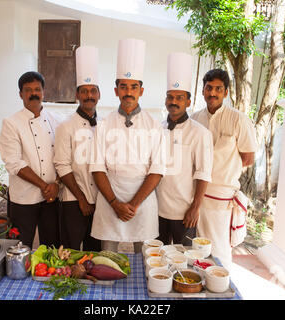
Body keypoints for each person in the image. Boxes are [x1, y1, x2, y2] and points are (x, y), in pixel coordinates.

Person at [89, 38, 165, 254]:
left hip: (143, 202)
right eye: (124, 87)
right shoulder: (104, 124)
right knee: (107, 259)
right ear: (116, 91)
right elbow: (97, 168)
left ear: (141, 90)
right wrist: (115, 203)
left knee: (147, 260)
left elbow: (157, 170)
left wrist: (133, 204)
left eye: (134, 87)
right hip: (109, 198)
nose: (128, 92)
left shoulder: (154, 125)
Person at [191, 68, 257, 270]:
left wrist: (223, 170)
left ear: (226, 92)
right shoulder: (194, 119)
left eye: (218, 89)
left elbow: (248, 158)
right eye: (209, 88)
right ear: (203, 91)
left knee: (219, 249)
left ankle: (221, 287)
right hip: (194, 196)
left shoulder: (238, 119)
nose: (213, 93)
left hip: (221, 198)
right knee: (196, 248)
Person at [0, 71, 61, 249]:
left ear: (43, 92)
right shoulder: (11, 123)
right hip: (24, 198)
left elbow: (62, 158)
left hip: (51, 196)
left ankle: (48, 276)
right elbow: (14, 163)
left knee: (52, 246)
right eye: (28, 90)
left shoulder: (55, 121)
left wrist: (56, 184)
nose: (33, 93)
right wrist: (44, 186)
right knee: (20, 247)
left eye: (37, 89)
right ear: (20, 94)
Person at [156, 53, 213, 247]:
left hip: (184, 212)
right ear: (165, 100)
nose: (174, 101)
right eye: (170, 97)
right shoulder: (157, 129)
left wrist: (195, 208)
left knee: (185, 261)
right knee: (155, 259)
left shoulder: (200, 133)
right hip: (156, 209)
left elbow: (203, 173)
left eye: (179, 98)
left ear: (188, 102)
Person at [54, 46, 101, 251]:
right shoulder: (66, 126)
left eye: (92, 91)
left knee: (95, 255)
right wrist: (81, 198)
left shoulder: (105, 125)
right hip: (73, 201)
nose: (88, 95)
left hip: (100, 201)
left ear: (99, 94)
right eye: (84, 91)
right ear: (77, 94)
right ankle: (69, 285)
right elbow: (62, 165)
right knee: (70, 252)